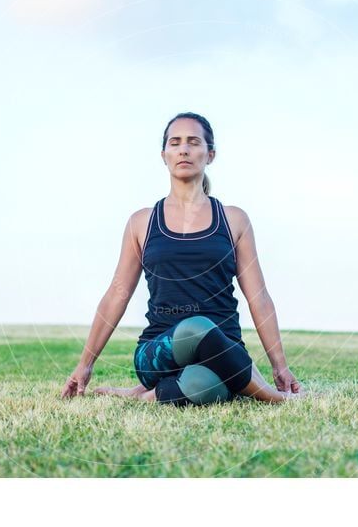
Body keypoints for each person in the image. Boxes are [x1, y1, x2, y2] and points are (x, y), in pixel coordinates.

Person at [61, 112, 304, 406]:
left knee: (205, 386)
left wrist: (280, 365)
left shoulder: (234, 220)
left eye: (193, 142)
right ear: (164, 155)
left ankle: (148, 396)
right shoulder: (142, 222)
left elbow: (259, 297)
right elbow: (117, 294)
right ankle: (274, 398)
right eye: (175, 143)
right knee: (196, 326)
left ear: (210, 154)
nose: (184, 149)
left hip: (223, 349)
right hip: (158, 352)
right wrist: (85, 363)